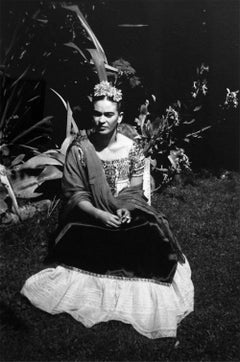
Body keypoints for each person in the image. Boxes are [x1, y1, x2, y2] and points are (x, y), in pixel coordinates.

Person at [21, 81, 194, 339]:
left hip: (123, 209)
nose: (102, 120)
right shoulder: (80, 149)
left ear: (119, 116)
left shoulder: (132, 149)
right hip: (88, 212)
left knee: (149, 235)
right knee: (89, 239)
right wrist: (100, 214)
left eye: (108, 114)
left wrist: (124, 210)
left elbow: (135, 191)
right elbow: (75, 193)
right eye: (97, 113)